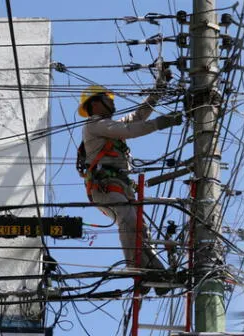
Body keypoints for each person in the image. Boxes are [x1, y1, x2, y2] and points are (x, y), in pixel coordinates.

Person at [76, 69, 181, 295]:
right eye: (107, 99)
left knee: (140, 229)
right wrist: (161, 123)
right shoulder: (95, 125)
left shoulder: (109, 126)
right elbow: (130, 129)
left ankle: (157, 274)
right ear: (95, 104)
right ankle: (137, 271)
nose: (112, 104)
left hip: (119, 187)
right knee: (128, 220)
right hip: (105, 187)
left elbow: (137, 117)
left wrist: (158, 91)